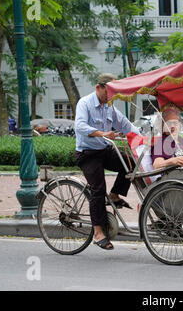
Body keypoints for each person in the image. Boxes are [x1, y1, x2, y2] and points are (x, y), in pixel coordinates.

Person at [74, 73, 140, 250]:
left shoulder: (109, 107)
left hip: (104, 150)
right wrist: (102, 133)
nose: (110, 97)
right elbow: (79, 126)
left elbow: (126, 125)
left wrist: (145, 138)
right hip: (87, 153)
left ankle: (115, 195)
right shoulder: (85, 103)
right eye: (108, 92)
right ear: (98, 88)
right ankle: (98, 232)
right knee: (98, 189)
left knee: (131, 163)